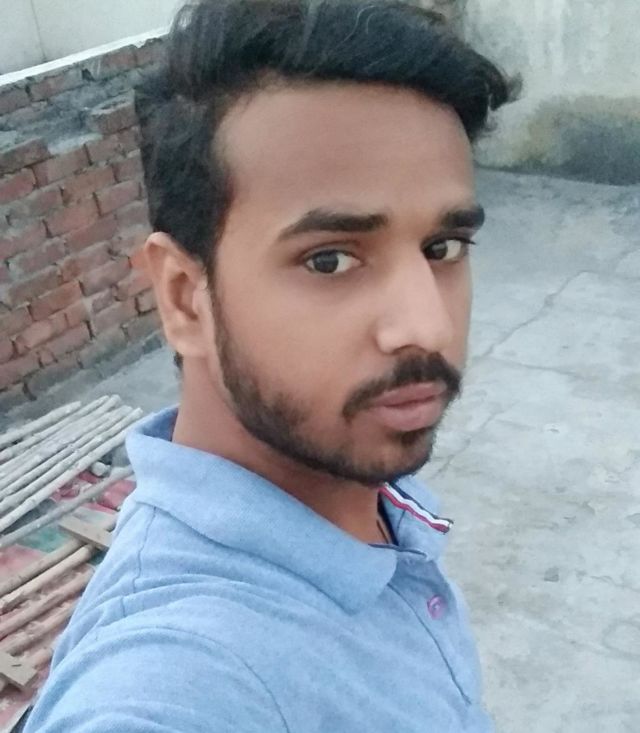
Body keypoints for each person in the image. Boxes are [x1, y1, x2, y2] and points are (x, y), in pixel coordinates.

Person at [23, 1, 514, 730]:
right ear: (183, 297)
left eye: (442, 248)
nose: (428, 327)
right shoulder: (182, 681)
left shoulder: (369, 487)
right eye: (330, 260)